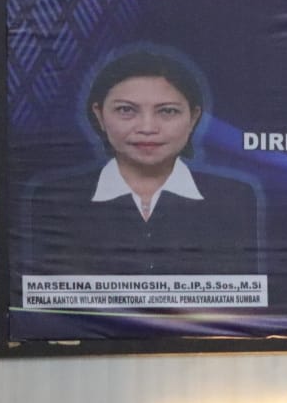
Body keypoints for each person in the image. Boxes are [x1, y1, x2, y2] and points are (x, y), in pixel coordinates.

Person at [21, 47, 260, 277]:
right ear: (99, 115)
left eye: (167, 111)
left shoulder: (234, 197)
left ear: (193, 117)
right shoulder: (56, 199)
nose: (147, 128)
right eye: (126, 110)